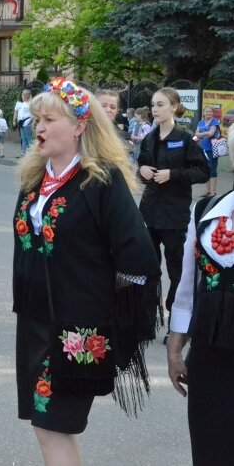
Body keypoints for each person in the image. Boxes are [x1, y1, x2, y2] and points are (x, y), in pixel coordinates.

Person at [12, 77, 161, 466]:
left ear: (80, 125)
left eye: (49, 119)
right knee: (44, 425)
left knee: (53, 425)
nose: (38, 128)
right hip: (34, 324)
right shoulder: (34, 180)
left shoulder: (101, 180)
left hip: (77, 330)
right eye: (36, 119)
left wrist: (105, 305)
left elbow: (140, 258)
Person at [167, 130, 234, 464]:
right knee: (211, 450)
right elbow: (186, 287)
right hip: (211, 358)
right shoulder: (206, 211)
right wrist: (175, 344)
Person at [138, 87, 209, 331]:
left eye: (160, 105)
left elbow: (203, 172)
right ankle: (146, 317)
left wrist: (174, 174)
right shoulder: (149, 137)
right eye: (153, 105)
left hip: (174, 214)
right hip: (148, 212)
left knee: (177, 269)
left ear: (174, 107)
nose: (154, 109)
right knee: (146, 266)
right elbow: (141, 165)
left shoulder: (186, 138)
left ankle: (175, 324)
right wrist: (142, 171)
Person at [195, 106, 221, 197]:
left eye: (210, 111)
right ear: (203, 112)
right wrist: (205, 134)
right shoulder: (200, 122)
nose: (209, 113)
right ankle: (207, 191)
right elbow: (196, 134)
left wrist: (203, 134)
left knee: (212, 170)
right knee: (206, 169)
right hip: (203, 149)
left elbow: (211, 133)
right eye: (207, 111)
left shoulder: (215, 121)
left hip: (212, 149)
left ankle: (213, 192)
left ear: (212, 113)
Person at [14, 88, 33, 157]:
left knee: (28, 138)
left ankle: (33, 152)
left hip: (27, 122)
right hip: (20, 123)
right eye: (23, 94)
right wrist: (14, 120)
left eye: (25, 94)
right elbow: (16, 112)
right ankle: (23, 152)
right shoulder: (20, 104)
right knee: (23, 138)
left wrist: (30, 122)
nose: (24, 96)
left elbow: (34, 113)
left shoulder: (31, 103)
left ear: (29, 95)